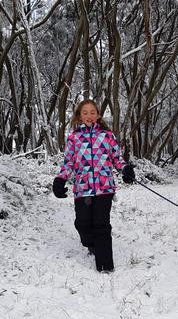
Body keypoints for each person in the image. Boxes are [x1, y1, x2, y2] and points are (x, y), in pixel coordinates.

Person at [53, 99, 135, 273]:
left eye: (92, 112)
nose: (89, 115)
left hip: (104, 187)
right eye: (85, 112)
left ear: (98, 115)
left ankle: (105, 265)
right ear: (79, 116)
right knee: (83, 224)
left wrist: (126, 169)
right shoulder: (74, 138)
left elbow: (116, 159)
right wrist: (60, 179)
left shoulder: (107, 136)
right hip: (83, 188)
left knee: (102, 224)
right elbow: (68, 163)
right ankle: (91, 243)